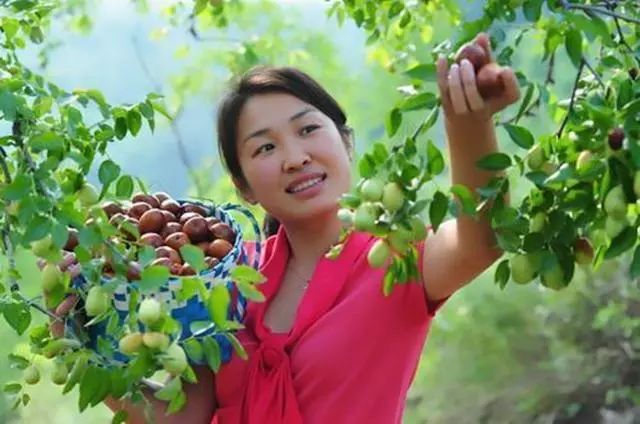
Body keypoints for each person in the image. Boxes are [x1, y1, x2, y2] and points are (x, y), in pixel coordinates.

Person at [55, 32, 520, 423]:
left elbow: (480, 241)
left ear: (346, 142)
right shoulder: (232, 276)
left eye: (307, 130)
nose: (295, 157)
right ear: (244, 188)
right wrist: (80, 346)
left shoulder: (394, 256)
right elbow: (185, 414)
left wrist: (469, 122)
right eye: (264, 149)